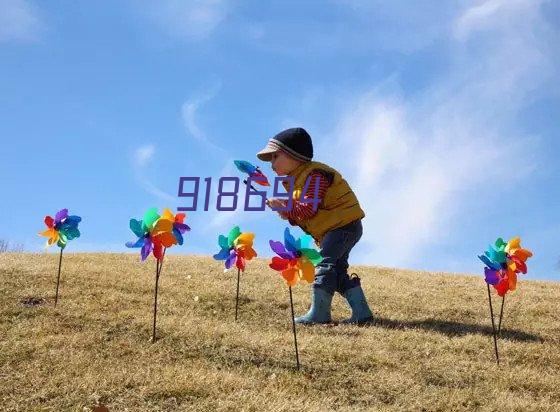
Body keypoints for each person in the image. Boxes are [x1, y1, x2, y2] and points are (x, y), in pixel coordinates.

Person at [257, 127, 374, 324]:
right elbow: (305, 211)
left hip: (342, 226)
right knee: (336, 271)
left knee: (325, 265)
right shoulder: (298, 180)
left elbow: (308, 209)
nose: (272, 164)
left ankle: (320, 315)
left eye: (275, 157)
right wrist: (286, 209)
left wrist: (285, 207)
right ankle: (362, 313)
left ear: (293, 155)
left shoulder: (315, 176)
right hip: (339, 227)